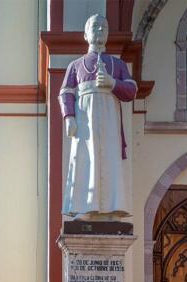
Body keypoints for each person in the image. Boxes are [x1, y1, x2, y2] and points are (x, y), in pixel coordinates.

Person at [59, 14, 137, 221]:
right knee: (86, 157)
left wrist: (113, 84)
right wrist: (69, 117)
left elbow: (131, 90)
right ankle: (86, 208)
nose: (100, 30)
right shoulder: (75, 66)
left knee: (110, 158)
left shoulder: (117, 64)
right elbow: (66, 92)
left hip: (110, 120)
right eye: (95, 26)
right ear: (86, 34)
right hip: (86, 121)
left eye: (104, 27)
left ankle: (112, 209)